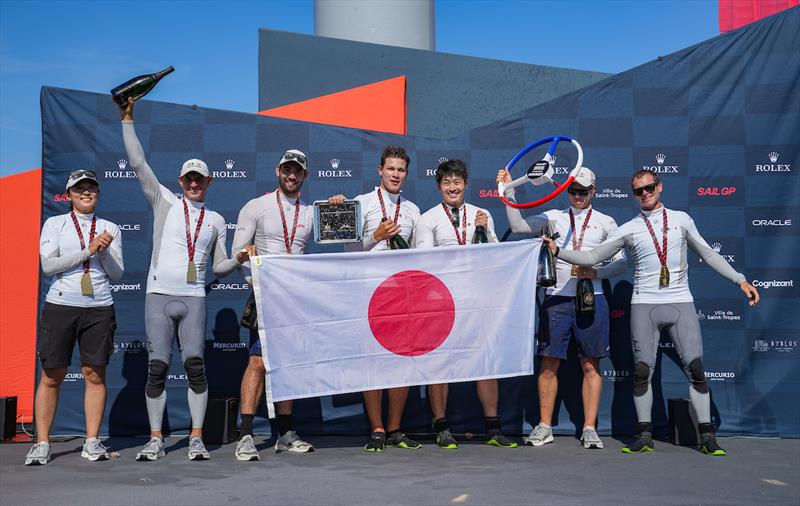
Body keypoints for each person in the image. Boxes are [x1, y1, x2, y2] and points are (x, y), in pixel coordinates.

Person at [542, 169, 760, 455]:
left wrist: (739, 279)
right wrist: (558, 252)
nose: (644, 194)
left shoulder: (682, 220)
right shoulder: (629, 227)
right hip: (643, 303)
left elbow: (708, 253)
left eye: (648, 188)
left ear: (660, 187)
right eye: (638, 191)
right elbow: (593, 258)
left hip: (680, 300)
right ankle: (644, 435)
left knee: (696, 368)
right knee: (642, 371)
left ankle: (707, 436)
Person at [120, 98, 235, 461]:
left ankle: (196, 438)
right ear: (180, 181)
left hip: (194, 298)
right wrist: (127, 120)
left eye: (199, 179)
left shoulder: (216, 220)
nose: (193, 184)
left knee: (195, 366)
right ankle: (155, 438)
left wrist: (239, 259)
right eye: (189, 179)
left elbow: (218, 268)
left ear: (209, 182)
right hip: (158, 295)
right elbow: (138, 163)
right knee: (157, 368)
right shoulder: (163, 201)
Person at [497, 167, 625, 450]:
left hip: (593, 297)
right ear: (566, 190)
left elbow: (622, 262)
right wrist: (509, 191)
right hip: (556, 297)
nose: (577, 196)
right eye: (573, 190)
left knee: (591, 364)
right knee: (548, 364)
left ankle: (590, 428)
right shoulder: (553, 217)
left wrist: (597, 274)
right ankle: (544, 426)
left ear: (594, 191)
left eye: (583, 191)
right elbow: (518, 226)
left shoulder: (606, 222)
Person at [415, 159, 517, 449]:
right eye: (446, 182)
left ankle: (493, 428)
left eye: (457, 182)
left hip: (478, 302)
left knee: (485, 363)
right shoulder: (428, 219)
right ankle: (442, 427)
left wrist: (483, 232)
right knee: (439, 365)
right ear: (438, 186)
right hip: (441, 304)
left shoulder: (481, 214)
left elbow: (498, 256)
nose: (452, 187)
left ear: (465, 184)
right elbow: (423, 265)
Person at [26, 170, 124, 465]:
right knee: (52, 375)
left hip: (99, 307)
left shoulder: (110, 228)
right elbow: (49, 266)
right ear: (68, 195)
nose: (85, 192)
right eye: (79, 188)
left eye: (91, 188)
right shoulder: (54, 224)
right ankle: (42, 443)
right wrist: (89, 250)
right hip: (61, 306)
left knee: (95, 375)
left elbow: (117, 274)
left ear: (98, 193)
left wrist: (103, 253)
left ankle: (92, 441)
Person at [328, 145, 422, 452]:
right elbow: (349, 251)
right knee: (372, 362)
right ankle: (377, 428)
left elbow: (419, 258)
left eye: (401, 170)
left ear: (406, 174)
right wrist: (375, 237)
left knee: (401, 364)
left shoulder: (413, 210)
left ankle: (395, 428)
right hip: (368, 293)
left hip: (401, 293)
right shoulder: (361, 203)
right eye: (391, 168)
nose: (395, 174)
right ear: (379, 170)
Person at [225, 149, 315, 461]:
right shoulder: (257, 206)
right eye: (287, 169)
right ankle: (246, 435)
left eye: (298, 171)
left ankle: (285, 434)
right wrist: (251, 273)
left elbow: (342, 241)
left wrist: (338, 210)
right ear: (278, 171)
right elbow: (237, 253)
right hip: (266, 295)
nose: (292, 175)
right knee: (257, 363)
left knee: (288, 365)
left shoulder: (310, 212)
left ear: (304, 176)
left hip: (296, 300)